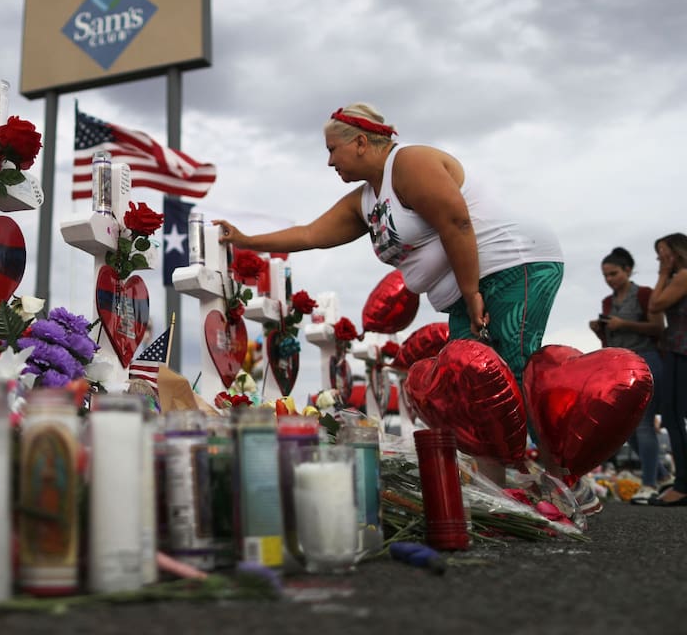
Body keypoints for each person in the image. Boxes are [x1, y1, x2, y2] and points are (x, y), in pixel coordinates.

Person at [214, 104, 565, 490]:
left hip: (514, 264)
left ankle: (559, 479)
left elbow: (456, 221)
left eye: (333, 149)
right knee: (470, 384)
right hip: (474, 286)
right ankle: (500, 489)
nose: (330, 161)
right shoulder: (364, 200)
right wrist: (245, 239)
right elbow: (310, 235)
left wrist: (471, 292)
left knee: (512, 364)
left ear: (361, 142)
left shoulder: (409, 164)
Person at [589, 247, 665, 503]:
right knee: (625, 428)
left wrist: (625, 325)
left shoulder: (644, 295)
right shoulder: (607, 302)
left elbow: (658, 328)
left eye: (613, 274)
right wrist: (601, 330)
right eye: (605, 275)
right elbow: (609, 339)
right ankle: (662, 475)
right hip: (620, 365)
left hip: (647, 360)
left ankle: (650, 483)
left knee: (643, 423)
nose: (609, 279)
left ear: (628, 270)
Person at [648, 233, 687, 507]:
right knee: (673, 415)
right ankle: (682, 480)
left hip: (681, 350)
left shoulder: (683, 275)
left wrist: (662, 273)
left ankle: (684, 484)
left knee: (673, 414)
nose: (660, 258)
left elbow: (655, 305)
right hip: (676, 349)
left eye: (663, 252)